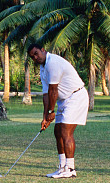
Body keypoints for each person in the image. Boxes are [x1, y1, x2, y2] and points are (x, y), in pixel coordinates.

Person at [28, 43, 88, 179]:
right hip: (64, 100)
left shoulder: (53, 63)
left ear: (43, 50)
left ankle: (70, 169)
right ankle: (62, 167)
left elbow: (53, 90)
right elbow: (46, 95)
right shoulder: (43, 69)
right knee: (58, 132)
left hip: (76, 96)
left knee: (66, 132)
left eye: (36, 53)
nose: (35, 58)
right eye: (32, 57)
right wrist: (45, 117)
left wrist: (51, 111)